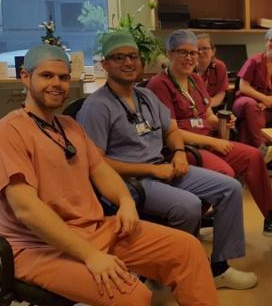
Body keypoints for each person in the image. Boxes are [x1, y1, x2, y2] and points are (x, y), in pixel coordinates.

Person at [0, 44, 219, 305]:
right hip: (39, 248)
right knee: (134, 296)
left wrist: (126, 202)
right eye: (47, 76)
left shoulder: (70, 127)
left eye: (63, 77)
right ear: (25, 77)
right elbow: (27, 210)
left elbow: (101, 170)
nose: (57, 84)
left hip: (94, 229)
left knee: (187, 249)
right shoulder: (7, 134)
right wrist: (91, 256)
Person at [77, 32, 257, 290]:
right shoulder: (97, 107)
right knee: (188, 206)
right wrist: (152, 170)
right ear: (105, 64)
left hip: (163, 168)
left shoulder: (145, 96)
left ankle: (219, 268)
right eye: (119, 58)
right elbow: (96, 164)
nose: (128, 62)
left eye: (133, 56)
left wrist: (180, 153)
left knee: (230, 188)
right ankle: (177, 266)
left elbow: (171, 130)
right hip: (130, 181)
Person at [147, 29, 272, 240]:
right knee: (225, 173)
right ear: (170, 53)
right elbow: (171, 132)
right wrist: (212, 141)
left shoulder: (195, 80)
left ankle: (271, 219)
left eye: (194, 52)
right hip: (183, 149)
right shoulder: (159, 85)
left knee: (254, 156)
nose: (190, 58)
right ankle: (198, 219)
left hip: (207, 142)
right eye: (183, 52)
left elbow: (208, 115)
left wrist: (222, 121)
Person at [233, 27, 272, 148]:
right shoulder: (253, 61)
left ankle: (251, 153)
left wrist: (271, 100)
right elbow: (243, 87)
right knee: (252, 106)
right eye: (271, 40)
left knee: (249, 122)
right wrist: (264, 99)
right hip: (245, 100)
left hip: (269, 107)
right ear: (266, 42)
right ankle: (262, 146)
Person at [196, 32, 228, 109]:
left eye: (204, 48)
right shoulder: (188, 67)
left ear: (213, 51)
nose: (200, 52)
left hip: (212, 107)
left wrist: (206, 106)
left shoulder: (219, 66)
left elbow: (220, 94)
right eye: (197, 49)